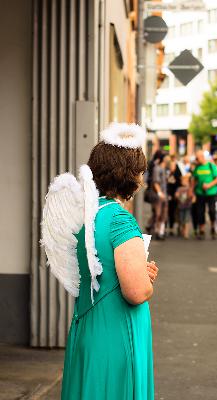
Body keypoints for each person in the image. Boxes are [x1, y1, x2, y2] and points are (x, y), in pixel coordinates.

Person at [43, 123, 159, 400]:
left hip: (91, 325)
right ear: (130, 175)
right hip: (116, 333)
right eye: (140, 172)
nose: (142, 178)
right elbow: (136, 292)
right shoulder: (120, 219)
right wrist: (146, 281)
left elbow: (103, 269)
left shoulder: (90, 216)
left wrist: (137, 270)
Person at [192, 150, 217, 240]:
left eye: (197, 158)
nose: (196, 160)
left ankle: (212, 227)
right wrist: (192, 191)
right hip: (200, 193)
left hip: (211, 193)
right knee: (200, 212)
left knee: (212, 211)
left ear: (202, 157)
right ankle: (202, 230)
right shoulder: (197, 168)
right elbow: (194, 180)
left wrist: (209, 185)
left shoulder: (211, 166)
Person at [153, 153, 170, 240]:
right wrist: (160, 193)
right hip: (159, 195)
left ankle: (161, 232)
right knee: (158, 214)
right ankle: (157, 231)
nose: (168, 159)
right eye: (167, 158)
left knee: (164, 214)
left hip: (165, 194)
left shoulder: (165, 169)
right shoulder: (157, 168)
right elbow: (155, 182)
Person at [167, 156, 182, 236]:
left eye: (173, 166)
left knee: (178, 212)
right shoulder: (168, 173)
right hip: (169, 196)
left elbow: (180, 184)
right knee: (170, 212)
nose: (171, 168)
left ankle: (179, 227)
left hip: (177, 195)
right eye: (170, 166)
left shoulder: (178, 174)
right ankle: (171, 228)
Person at [175, 174, 193, 239]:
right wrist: (177, 196)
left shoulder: (189, 188)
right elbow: (176, 195)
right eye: (182, 181)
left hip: (187, 206)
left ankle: (186, 233)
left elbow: (192, 196)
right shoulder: (179, 188)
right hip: (180, 206)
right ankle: (181, 229)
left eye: (185, 181)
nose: (183, 182)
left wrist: (192, 198)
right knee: (181, 219)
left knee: (186, 220)